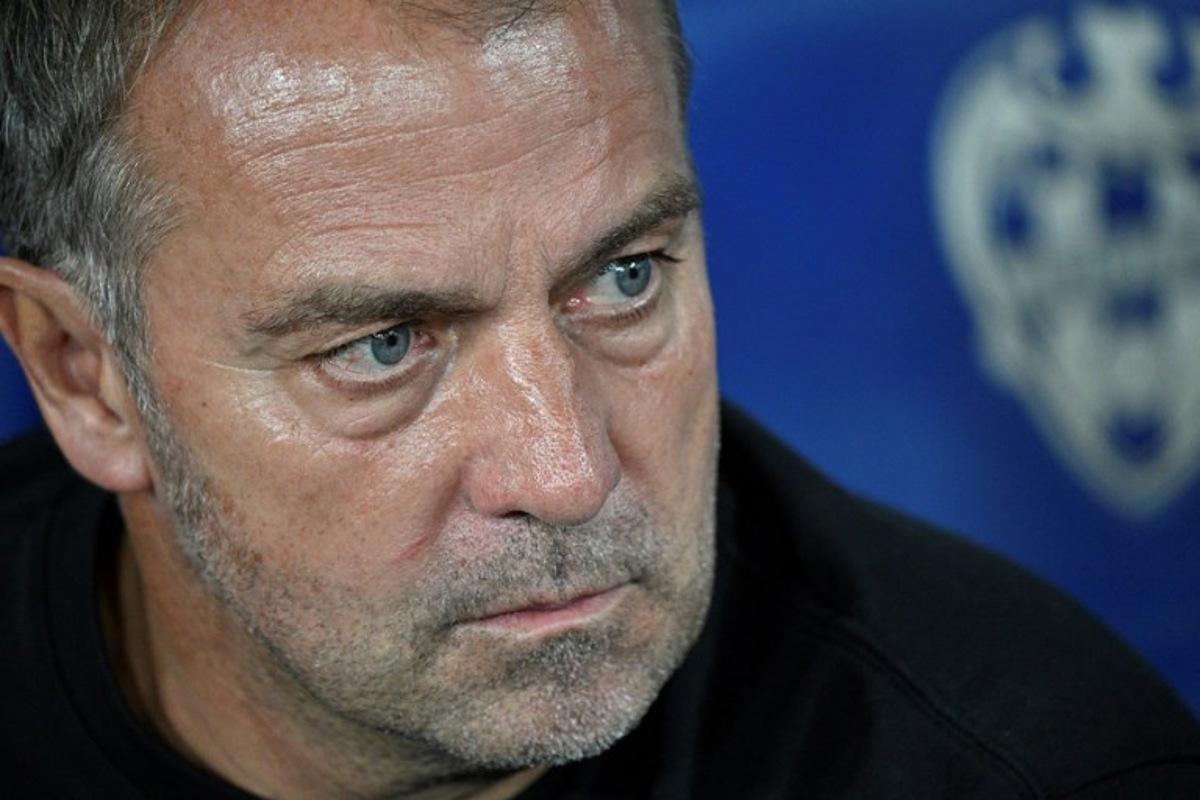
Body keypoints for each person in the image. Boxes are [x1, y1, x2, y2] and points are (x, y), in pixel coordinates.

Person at [0, 1, 1197, 798]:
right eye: (381, 346)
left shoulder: (1028, 765)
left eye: (623, 279)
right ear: (79, 371)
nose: (567, 470)